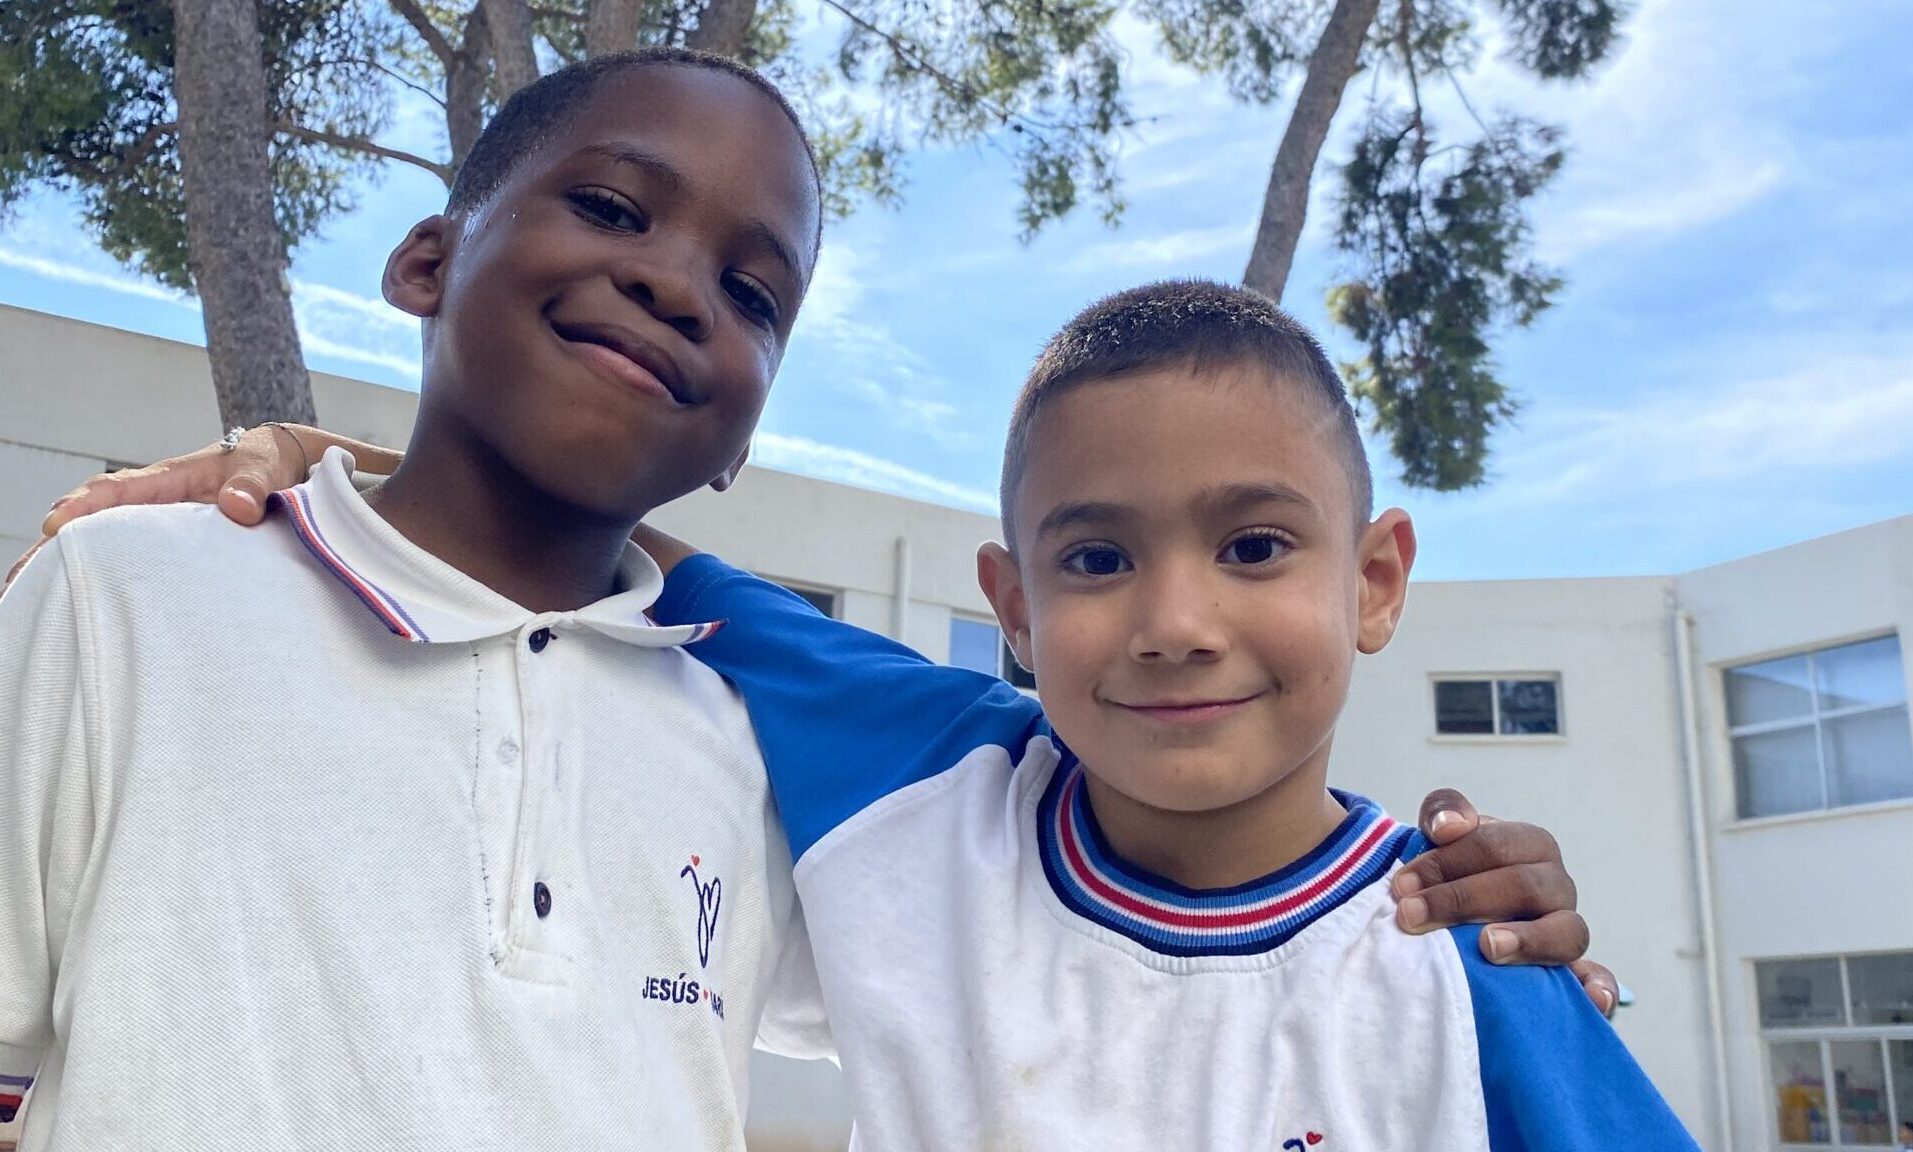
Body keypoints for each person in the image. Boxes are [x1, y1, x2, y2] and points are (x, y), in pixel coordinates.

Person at [631, 281, 1691, 1148]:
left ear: (1371, 584)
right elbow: (651, 565)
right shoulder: (923, 777)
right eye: (1096, 559)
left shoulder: (1466, 961)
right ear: (1015, 613)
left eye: (1253, 546)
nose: (1175, 624)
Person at [0, 48, 824, 1149]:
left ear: (746, 439)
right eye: (608, 206)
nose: (675, 285)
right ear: (425, 265)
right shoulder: (123, 599)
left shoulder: (755, 743)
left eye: (751, 294)